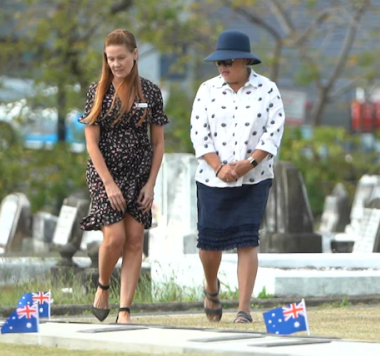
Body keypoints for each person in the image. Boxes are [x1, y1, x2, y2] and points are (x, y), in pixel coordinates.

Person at [190, 29, 285, 324]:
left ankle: (244, 308)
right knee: (209, 243)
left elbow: (274, 131)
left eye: (228, 61)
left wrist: (248, 163)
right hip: (211, 177)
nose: (223, 67)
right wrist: (219, 167)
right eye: (219, 63)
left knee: (247, 240)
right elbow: (198, 132)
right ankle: (211, 286)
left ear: (245, 61)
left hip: (254, 178)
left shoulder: (267, 90)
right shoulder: (207, 90)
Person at [80, 29, 169, 324]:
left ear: (135, 54)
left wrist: (151, 184)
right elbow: (91, 142)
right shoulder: (98, 91)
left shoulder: (150, 93)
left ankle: (125, 310)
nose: (115, 63)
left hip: (139, 174)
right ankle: (103, 285)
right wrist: (108, 184)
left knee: (134, 240)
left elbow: (158, 143)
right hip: (106, 175)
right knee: (114, 237)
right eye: (110, 58)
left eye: (120, 57)